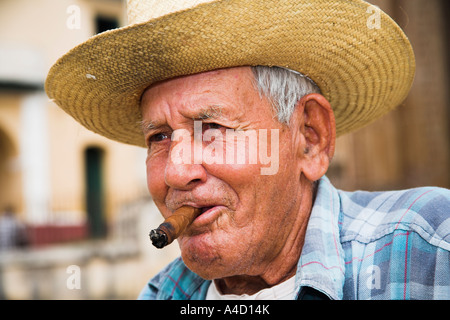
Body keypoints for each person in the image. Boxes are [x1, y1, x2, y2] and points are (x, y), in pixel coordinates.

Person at [45, 0, 450, 300]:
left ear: (309, 138)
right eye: (160, 137)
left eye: (213, 128)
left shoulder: (430, 253)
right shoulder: (161, 295)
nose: (175, 172)